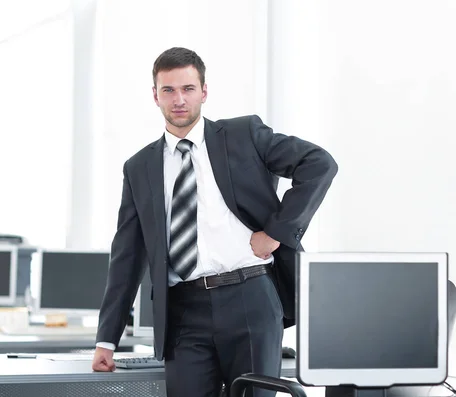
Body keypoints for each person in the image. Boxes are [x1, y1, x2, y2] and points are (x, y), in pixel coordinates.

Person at [92, 47, 338, 397]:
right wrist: (107, 339)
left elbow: (319, 164)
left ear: (204, 92)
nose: (179, 99)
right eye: (169, 90)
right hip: (182, 312)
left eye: (188, 89)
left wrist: (275, 233)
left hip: (249, 297)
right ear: (155, 96)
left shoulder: (243, 135)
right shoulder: (139, 167)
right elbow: (127, 256)